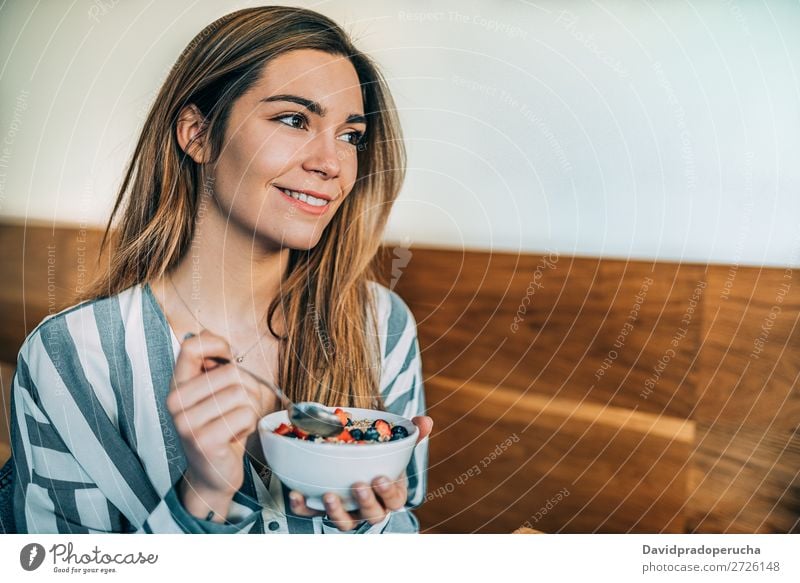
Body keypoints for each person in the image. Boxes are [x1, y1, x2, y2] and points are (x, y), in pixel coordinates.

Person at [8, 6, 432, 534]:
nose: (332, 163)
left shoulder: (380, 324)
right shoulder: (77, 355)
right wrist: (205, 495)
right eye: (294, 120)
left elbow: (403, 525)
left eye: (351, 135)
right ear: (197, 134)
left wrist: (369, 530)